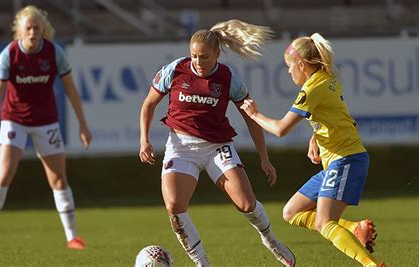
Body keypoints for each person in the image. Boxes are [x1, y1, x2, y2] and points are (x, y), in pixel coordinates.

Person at [139, 19, 295, 267]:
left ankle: (271, 240)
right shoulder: (174, 70)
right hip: (181, 147)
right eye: (194, 56)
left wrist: (264, 158)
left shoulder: (228, 79)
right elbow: (148, 104)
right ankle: (203, 264)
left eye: (204, 57)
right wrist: (144, 139)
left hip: (217, 147)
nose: (198, 63)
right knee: (175, 208)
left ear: (217, 54)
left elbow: (251, 118)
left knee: (247, 204)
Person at [240, 33, 385, 267]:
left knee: (324, 223)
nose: (288, 72)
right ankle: (353, 227)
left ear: (301, 64)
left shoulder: (311, 89)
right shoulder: (326, 77)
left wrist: (254, 114)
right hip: (336, 160)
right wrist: (315, 137)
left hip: (346, 158)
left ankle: (372, 265)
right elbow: (333, 113)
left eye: (289, 67)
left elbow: (280, 130)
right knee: (291, 212)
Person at [0, 5, 92, 251]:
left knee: (59, 179)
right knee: (4, 175)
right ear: (19, 30)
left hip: (46, 120)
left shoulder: (54, 53)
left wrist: (82, 124)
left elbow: (71, 90)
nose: (32, 32)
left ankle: (72, 237)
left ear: (43, 30)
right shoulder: (9, 54)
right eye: (27, 28)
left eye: (36, 28)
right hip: (14, 119)